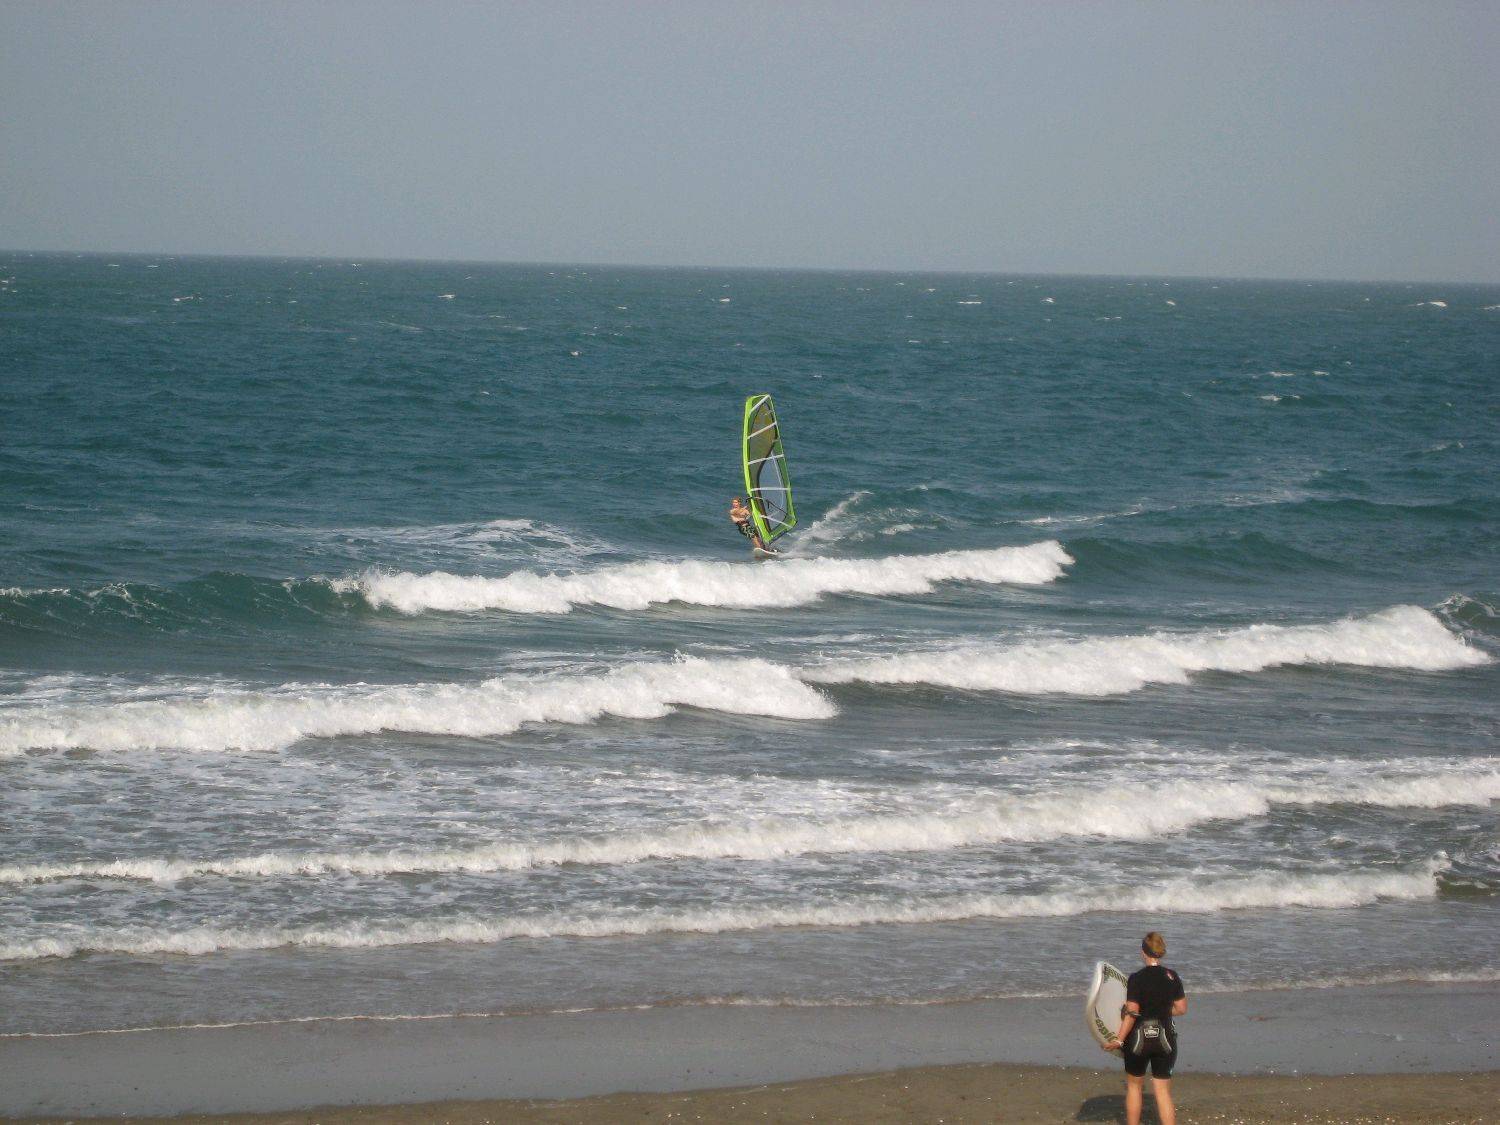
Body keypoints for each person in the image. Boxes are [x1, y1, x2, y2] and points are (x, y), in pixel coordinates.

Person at [1103, 931, 1187, 1125]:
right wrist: (1161, 1012)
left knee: (1134, 1088)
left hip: (1138, 1040)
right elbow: (1181, 1009)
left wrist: (1118, 1039)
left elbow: (1132, 1012)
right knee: (1163, 1091)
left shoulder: (1136, 978)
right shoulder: (1172, 977)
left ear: (1143, 952)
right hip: (1165, 1039)